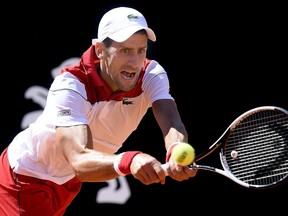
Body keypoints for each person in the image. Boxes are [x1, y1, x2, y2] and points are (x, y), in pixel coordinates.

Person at [0, 6, 197, 215]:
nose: (135, 62)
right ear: (100, 50)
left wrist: (176, 148)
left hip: (67, 182)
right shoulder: (70, 86)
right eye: (125, 50)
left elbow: (171, 121)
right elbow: (79, 159)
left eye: (141, 50)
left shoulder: (151, 74)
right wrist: (130, 160)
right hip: (25, 178)